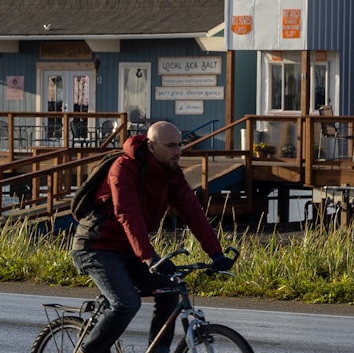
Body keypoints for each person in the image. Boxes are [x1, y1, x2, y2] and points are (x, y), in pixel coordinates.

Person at [70, 120, 234, 353]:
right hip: (96, 247)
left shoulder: (170, 174)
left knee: (169, 292)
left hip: (129, 250)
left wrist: (216, 253)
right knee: (126, 303)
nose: (178, 151)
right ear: (152, 146)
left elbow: (193, 213)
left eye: (180, 145)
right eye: (171, 146)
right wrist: (149, 257)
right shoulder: (123, 167)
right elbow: (128, 213)